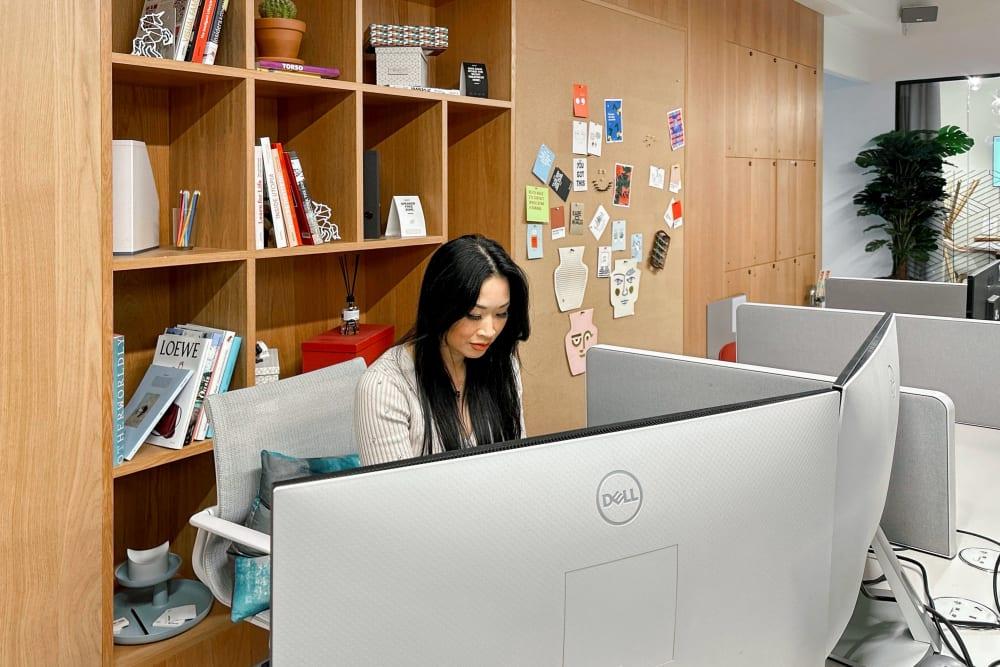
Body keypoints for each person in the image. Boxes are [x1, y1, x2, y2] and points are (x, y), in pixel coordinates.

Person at [355, 235, 530, 465]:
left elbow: (517, 462)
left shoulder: (502, 364)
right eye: (474, 315)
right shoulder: (384, 387)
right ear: (441, 308)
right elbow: (394, 497)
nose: (489, 330)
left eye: (501, 313)